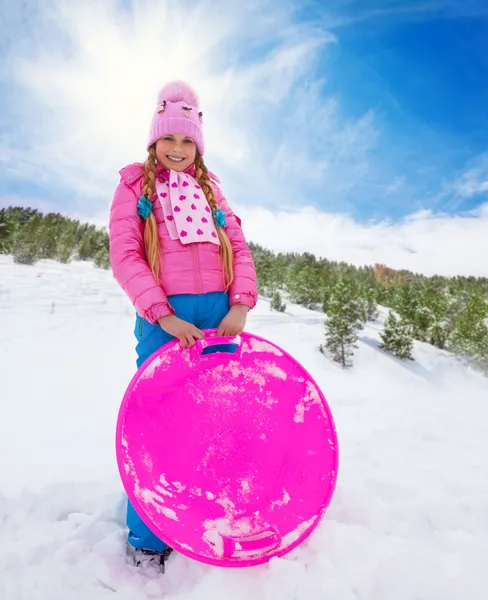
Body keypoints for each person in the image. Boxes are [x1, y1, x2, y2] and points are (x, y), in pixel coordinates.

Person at [109, 80, 258, 569]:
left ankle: (206, 514)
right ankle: (149, 537)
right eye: (168, 139)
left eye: (187, 139)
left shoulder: (211, 188)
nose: (177, 149)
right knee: (158, 421)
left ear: (198, 144)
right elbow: (126, 254)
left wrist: (240, 304)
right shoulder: (134, 184)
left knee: (217, 416)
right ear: (154, 140)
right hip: (162, 318)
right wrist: (163, 314)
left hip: (218, 316)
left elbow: (237, 245)